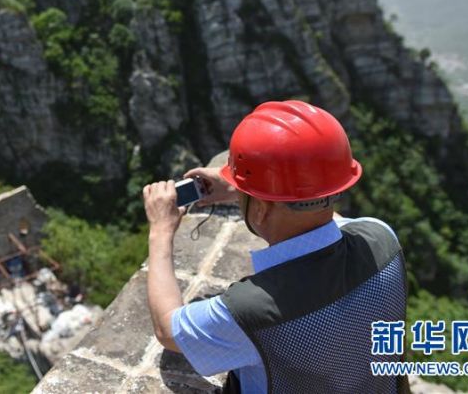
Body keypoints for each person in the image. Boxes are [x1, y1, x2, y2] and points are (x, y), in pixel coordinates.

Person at [142, 100, 409, 393]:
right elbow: (323, 214)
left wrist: (160, 230)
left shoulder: (251, 311)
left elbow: (168, 330)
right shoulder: (384, 239)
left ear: (259, 210)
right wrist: (245, 190)